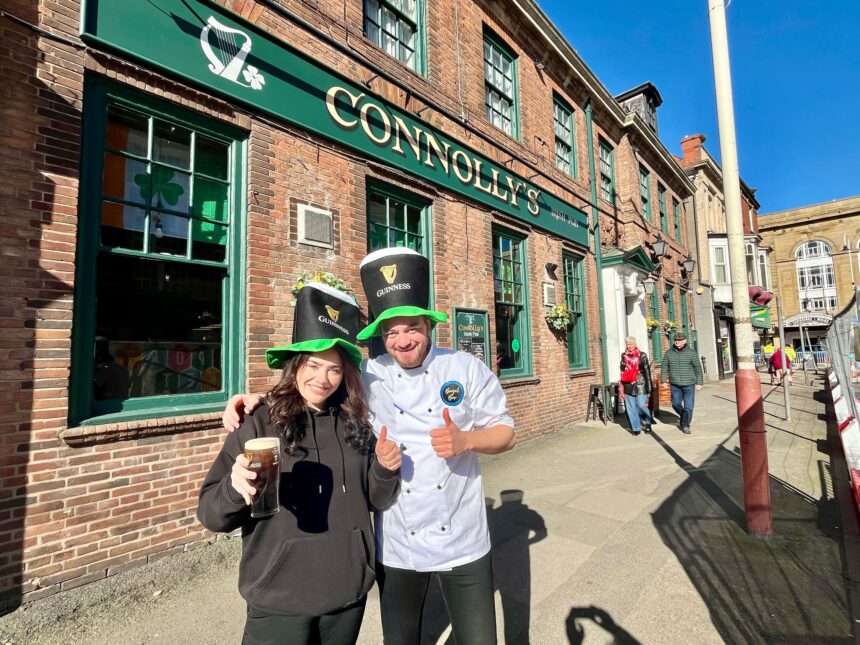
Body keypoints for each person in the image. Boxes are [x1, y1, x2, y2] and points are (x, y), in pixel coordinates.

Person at [224, 248, 516, 644]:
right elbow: (312, 382)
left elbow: (505, 433)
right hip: (398, 539)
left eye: (411, 327)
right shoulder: (368, 374)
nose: (402, 340)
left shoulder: (464, 367)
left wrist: (467, 440)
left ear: (428, 326)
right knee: (400, 639)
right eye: (390, 333)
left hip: (463, 534)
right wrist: (255, 398)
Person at [199, 283, 402, 645]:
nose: (322, 379)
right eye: (312, 365)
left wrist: (385, 468)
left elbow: (377, 500)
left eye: (334, 370)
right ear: (295, 366)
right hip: (277, 599)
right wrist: (234, 489)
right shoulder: (258, 423)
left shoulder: (357, 425)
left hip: (346, 595)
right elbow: (212, 516)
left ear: (345, 376)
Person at [660, 332, 703, 434]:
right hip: (675, 384)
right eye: (675, 340)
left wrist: (699, 382)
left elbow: (697, 368)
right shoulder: (669, 353)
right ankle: (684, 415)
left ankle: (685, 425)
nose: (677, 342)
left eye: (679, 340)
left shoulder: (691, 353)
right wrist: (663, 380)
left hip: (689, 384)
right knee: (675, 404)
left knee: (688, 406)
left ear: (684, 341)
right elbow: (664, 367)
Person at [618, 336, 655, 436]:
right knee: (631, 408)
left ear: (635, 344)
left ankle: (648, 422)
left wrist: (649, 388)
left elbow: (647, 372)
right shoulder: (623, 355)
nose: (630, 346)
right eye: (628, 344)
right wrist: (622, 364)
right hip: (628, 384)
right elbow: (622, 370)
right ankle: (636, 428)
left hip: (640, 384)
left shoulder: (642, 355)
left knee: (641, 406)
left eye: (631, 344)